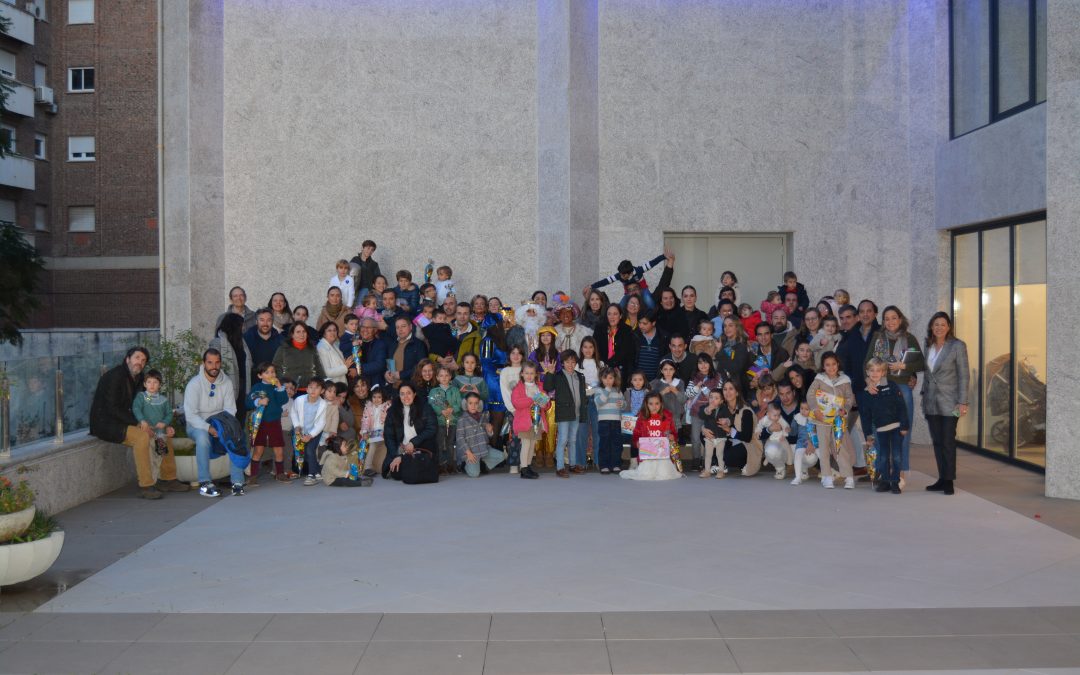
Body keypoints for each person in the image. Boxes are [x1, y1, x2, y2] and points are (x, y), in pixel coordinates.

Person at [866, 305, 925, 487]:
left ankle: (899, 472)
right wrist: (868, 382)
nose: (890, 322)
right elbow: (866, 362)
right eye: (887, 319)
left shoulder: (909, 338)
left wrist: (904, 367)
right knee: (879, 430)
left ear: (900, 320)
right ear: (883, 322)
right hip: (880, 385)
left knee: (902, 431)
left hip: (901, 386)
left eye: (894, 318)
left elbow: (922, 363)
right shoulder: (877, 338)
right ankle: (882, 471)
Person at [184, 349, 246, 497]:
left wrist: (223, 427)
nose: (214, 366)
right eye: (210, 362)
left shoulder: (226, 383)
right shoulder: (194, 384)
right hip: (197, 424)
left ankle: (237, 482)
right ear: (203, 363)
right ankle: (205, 484)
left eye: (217, 362)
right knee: (203, 438)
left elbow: (231, 409)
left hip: (220, 421)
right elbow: (191, 415)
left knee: (235, 434)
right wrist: (208, 427)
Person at [920, 311, 970, 496]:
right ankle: (941, 477)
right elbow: (928, 373)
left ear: (949, 327)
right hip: (931, 402)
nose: (939, 327)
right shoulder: (928, 346)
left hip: (951, 403)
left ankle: (949, 480)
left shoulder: (957, 346)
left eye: (942, 324)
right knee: (938, 441)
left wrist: (962, 402)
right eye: (936, 324)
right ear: (931, 328)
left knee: (948, 440)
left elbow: (964, 375)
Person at [129, 368, 187, 498]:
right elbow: (136, 408)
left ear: (159, 384)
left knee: (160, 455)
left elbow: (168, 414)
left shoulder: (163, 400)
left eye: (155, 382)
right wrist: (142, 420)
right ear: (144, 384)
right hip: (145, 430)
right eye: (149, 382)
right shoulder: (141, 397)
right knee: (149, 456)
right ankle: (149, 484)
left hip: (159, 432)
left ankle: (163, 480)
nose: (152, 385)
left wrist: (165, 423)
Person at [807, 352, 856, 490]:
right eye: (827, 365)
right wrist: (815, 409)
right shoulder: (819, 380)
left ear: (838, 364)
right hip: (822, 419)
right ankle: (827, 477)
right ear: (823, 366)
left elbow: (849, 398)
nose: (831, 367)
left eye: (833, 364)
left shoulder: (845, 380)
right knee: (823, 449)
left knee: (840, 447)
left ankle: (848, 477)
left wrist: (845, 409)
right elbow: (810, 394)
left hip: (838, 421)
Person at [862, 358, 910, 494]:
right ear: (867, 372)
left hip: (896, 428)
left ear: (883, 372)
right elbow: (866, 416)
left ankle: (895, 482)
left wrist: (904, 425)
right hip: (880, 430)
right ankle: (885, 481)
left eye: (878, 370)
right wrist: (868, 435)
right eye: (872, 370)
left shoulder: (892, 385)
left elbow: (901, 406)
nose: (875, 373)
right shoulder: (867, 392)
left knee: (896, 456)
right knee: (882, 456)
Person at [544, 349, 589, 477]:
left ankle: (573, 465)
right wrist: (550, 373)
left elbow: (582, 394)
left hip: (577, 413)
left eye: (573, 361)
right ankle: (560, 467)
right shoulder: (558, 376)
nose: (570, 364)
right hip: (564, 412)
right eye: (567, 361)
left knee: (573, 440)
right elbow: (548, 387)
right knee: (562, 440)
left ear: (576, 363)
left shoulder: (580, 376)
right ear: (562, 363)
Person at [620, 392, 682, 480]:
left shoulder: (667, 416)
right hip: (647, 454)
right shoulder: (642, 416)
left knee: (664, 473)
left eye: (657, 403)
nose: (654, 406)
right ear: (646, 404)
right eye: (651, 404)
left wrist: (673, 437)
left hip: (663, 454)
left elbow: (674, 433)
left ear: (661, 404)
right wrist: (637, 442)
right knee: (646, 473)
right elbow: (636, 434)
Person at [383, 383, 439, 481]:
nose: (406, 397)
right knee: (397, 473)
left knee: (415, 470)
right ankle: (404, 461)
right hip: (401, 449)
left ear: (414, 394)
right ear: (398, 396)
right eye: (402, 394)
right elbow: (389, 437)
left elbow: (432, 428)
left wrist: (413, 442)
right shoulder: (392, 412)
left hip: (422, 447)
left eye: (409, 393)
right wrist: (398, 456)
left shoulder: (425, 408)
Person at [246, 362, 291, 483]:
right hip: (260, 423)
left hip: (275, 422)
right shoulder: (256, 387)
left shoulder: (276, 387)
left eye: (273, 372)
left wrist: (279, 386)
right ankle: (253, 475)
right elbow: (247, 402)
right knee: (258, 449)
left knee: (279, 448)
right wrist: (259, 402)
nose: (271, 374)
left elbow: (283, 400)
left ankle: (280, 473)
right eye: (267, 372)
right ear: (260, 376)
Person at [587, 250, 669, 311]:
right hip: (628, 293)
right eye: (620, 274)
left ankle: (656, 315)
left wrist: (664, 256)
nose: (621, 276)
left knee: (649, 301)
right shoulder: (619, 275)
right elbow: (605, 281)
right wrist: (592, 286)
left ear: (630, 273)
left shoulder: (639, 270)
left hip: (643, 290)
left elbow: (652, 263)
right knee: (620, 306)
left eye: (623, 275)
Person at [510, 362, 550, 479]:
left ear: (536, 374)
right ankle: (523, 468)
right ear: (522, 374)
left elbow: (546, 404)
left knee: (532, 444)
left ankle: (527, 466)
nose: (529, 375)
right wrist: (532, 400)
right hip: (524, 422)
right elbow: (516, 402)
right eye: (526, 373)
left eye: (532, 373)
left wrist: (543, 403)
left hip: (536, 421)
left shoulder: (540, 386)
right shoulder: (519, 387)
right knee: (526, 443)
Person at [684, 354, 722, 471]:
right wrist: (696, 387)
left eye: (706, 362)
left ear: (710, 364)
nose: (703, 365)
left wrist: (705, 388)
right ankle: (696, 461)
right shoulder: (694, 377)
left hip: (711, 412)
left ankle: (708, 461)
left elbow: (719, 394)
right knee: (695, 438)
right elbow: (688, 394)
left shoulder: (717, 377)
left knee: (709, 436)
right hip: (696, 411)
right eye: (700, 363)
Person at [209, 313, 252, 416]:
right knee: (229, 416)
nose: (244, 327)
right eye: (241, 325)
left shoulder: (242, 343)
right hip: (226, 385)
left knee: (241, 415)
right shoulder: (217, 343)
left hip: (243, 384)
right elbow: (212, 365)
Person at [456, 393, 507, 477]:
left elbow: (488, 436)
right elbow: (460, 438)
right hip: (471, 452)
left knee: (502, 456)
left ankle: (482, 462)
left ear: (479, 404)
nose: (473, 406)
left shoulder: (483, 416)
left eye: (476, 403)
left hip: (484, 449)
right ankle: (465, 464)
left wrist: (490, 431)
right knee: (474, 474)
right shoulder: (462, 419)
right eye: (470, 403)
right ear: (465, 404)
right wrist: (468, 453)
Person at [714, 380, 757, 476]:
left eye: (731, 389)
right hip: (730, 442)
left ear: (737, 392)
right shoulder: (721, 408)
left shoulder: (746, 411)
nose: (727, 392)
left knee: (728, 457)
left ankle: (744, 463)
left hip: (747, 445)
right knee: (705, 434)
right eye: (725, 389)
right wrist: (704, 429)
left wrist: (729, 430)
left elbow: (747, 438)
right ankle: (719, 462)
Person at [291, 377, 329, 485]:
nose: (313, 390)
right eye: (310, 387)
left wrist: (311, 435)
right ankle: (317, 471)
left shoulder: (323, 404)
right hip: (301, 431)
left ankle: (311, 475)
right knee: (304, 452)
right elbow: (293, 413)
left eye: (316, 388)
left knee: (310, 450)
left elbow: (321, 423)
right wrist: (297, 426)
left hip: (315, 432)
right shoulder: (299, 400)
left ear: (322, 391)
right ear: (306, 389)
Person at [272, 321, 325, 392]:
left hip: (309, 390)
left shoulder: (312, 348)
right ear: (292, 334)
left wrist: (324, 381)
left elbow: (318, 367)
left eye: (304, 331)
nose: (302, 334)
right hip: (290, 390)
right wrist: (283, 383)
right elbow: (276, 367)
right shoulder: (283, 348)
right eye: (298, 332)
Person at [430, 365, 463, 474]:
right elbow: (431, 404)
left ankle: (450, 464)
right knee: (439, 443)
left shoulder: (455, 391)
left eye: (446, 375)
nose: (444, 378)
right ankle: (439, 465)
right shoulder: (434, 392)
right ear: (437, 377)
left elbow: (460, 405)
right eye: (441, 375)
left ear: (450, 377)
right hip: (440, 422)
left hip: (452, 421)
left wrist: (452, 409)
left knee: (450, 444)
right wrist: (440, 411)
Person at [499, 346, 527, 474]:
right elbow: (505, 391)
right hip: (513, 410)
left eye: (518, 353)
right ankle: (514, 463)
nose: (516, 356)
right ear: (509, 355)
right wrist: (512, 409)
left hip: (526, 409)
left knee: (526, 437)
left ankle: (525, 463)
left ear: (522, 356)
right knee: (515, 437)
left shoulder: (526, 370)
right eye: (513, 353)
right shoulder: (505, 371)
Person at [595, 303, 637, 384]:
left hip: (621, 371)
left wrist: (610, 365)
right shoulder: (599, 328)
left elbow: (627, 352)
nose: (612, 317)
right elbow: (595, 348)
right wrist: (603, 365)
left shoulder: (627, 330)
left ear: (620, 316)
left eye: (615, 314)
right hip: (602, 370)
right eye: (609, 314)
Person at [594, 367, 625, 474]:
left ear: (614, 379)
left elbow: (623, 403)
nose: (608, 380)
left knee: (616, 443)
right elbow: (599, 402)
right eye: (605, 378)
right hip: (604, 422)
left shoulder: (617, 390)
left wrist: (622, 404)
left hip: (616, 421)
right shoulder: (598, 390)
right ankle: (604, 465)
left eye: (611, 378)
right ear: (601, 379)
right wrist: (607, 389)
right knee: (604, 443)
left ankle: (616, 464)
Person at [714, 316, 752, 398]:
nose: (727, 328)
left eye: (730, 325)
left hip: (737, 390)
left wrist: (720, 352)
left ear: (737, 327)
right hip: (721, 387)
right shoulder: (721, 344)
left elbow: (735, 368)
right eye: (725, 326)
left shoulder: (742, 346)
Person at [383, 316, 427, 387]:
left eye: (403, 326)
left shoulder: (419, 344)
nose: (400, 329)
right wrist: (387, 373)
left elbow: (422, 367)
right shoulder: (392, 344)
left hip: (411, 388)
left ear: (410, 327)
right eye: (397, 327)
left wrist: (401, 375)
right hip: (394, 387)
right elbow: (390, 363)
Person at [244, 308, 283, 383]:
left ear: (272, 322)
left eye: (269, 320)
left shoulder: (280, 340)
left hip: (274, 383)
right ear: (256, 321)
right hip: (252, 384)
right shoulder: (246, 339)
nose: (265, 323)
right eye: (262, 320)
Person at [756, 402, 792, 480]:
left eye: (778, 415)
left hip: (780, 438)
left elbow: (786, 426)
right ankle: (767, 458)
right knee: (767, 448)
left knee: (787, 446)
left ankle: (789, 461)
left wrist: (785, 433)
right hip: (771, 439)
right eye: (775, 415)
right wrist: (758, 430)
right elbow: (759, 424)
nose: (777, 417)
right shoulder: (765, 419)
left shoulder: (780, 418)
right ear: (768, 414)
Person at [650, 359, 686, 437]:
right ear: (661, 371)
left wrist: (676, 391)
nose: (668, 372)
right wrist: (663, 392)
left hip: (675, 418)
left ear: (674, 370)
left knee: (673, 441)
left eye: (671, 369)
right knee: (660, 442)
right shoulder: (655, 383)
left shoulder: (680, 383)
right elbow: (650, 400)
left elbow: (683, 400)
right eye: (665, 369)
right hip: (660, 417)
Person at [360, 387, 390, 475]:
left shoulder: (387, 407)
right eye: (374, 397)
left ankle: (385, 466)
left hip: (385, 433)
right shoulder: (368, 408)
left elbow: (390, 420)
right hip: (373, 433)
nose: (376, 399)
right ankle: (367, 467)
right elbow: (365, 421)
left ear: (383, 397)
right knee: (371, 445)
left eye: (379, 397)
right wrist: (364, 431)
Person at [697, 390, 726, 479]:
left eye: (716, 398)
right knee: (708, 455)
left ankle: (721, 471)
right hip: (709, 438)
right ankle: (707, 470)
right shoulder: (705, 407)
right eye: (711, 397)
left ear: (721, 401)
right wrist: (708, 409)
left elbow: (730, 418)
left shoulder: (724, 408)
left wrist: (727, 421)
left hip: (720, 437)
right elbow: (701, 414)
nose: (713, 400)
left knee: (719, 455)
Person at [789, 400, 818, 486]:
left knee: (821, 454)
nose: (803, 411)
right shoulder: (797, 417)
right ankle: (798, 477)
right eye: (801, 408)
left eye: (806, 409)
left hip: (814, 442)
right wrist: (790, 428)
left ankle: (826, 475)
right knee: (797, 455)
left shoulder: (815, 418)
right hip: (801, 442)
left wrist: (813, 443)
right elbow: (793, 433)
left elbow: (818, 432)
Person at [634, 312, 669, 382]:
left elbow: (665, 361)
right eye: (639, 323)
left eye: (645, 323)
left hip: (656, 381)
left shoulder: (663, 337)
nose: (641, 326)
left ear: (653, 323)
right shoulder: (635, 335)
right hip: (637, 381)